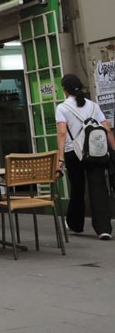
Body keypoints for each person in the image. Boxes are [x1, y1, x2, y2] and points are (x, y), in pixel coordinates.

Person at [56, 74, 115, 239]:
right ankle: (104, 228)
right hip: (95, 151)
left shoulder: (62, 108)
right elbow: (107, 129)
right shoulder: (93, 106)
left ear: (65, 90)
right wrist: (114, 150)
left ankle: (76, 224)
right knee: (99, 187)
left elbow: (62, 133)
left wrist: (60, 158)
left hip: (73, 151)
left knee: (77, 187)